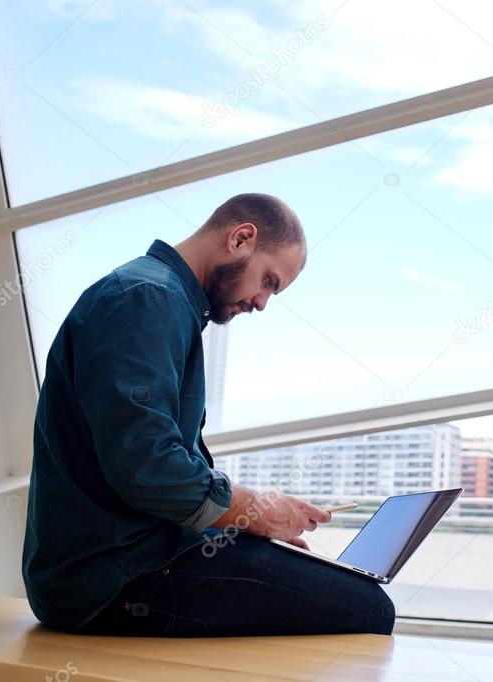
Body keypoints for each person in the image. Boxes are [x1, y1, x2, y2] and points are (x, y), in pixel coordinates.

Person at [22, 193, 395, 636]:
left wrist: (244, 526)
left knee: (337, 589)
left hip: (134, 557)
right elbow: (149, 469)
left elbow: (160, 471)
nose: (261, 303)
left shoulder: (163, 302)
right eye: (269, 281)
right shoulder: (147, 299)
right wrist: (256, 512)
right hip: (112, 578)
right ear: (240, 239)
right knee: (369, 608)